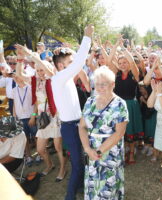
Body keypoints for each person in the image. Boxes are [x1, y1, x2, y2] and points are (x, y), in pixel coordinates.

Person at [51, 25, 93, 200]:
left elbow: (77, 64)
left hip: (78, 124)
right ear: (61, 66)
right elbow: (79, 63)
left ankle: (82, 189)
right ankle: (70, 196)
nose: (73, 66)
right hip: (70, 127)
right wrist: (87, 37)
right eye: (69, 63)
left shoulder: (64, 78)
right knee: (77, 164)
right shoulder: (59, 78)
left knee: (82, 161)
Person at [15, 44, 66, 181]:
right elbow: (19, 74)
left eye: (42, 70)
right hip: (43, 119)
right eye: (38, 71)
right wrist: (20, 59)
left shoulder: (53, 79)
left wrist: (29, 53)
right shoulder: (35, 81)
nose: (41, 73)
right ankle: (50, 165)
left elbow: (47, 69)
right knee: (41, 148)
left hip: (55, 117)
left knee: (58, 146)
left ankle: (62, 169)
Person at [79, 66, 128, 200]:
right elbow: (82, 127)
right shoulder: (89, 101)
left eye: (103, 84)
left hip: (109, 152)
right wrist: (88, 149)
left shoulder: (120, 104)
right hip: (91, 150)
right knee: (93, 184)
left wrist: (99, 151)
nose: (99, 87)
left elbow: (119, 133)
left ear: (113, 84)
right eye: (96, 84)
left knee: (108, 187)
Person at [108, 36, 143, 164]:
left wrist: (123, 48)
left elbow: (133, 62)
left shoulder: (134, 73)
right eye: (121, 62)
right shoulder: (115, 73)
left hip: (131, 105)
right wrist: (116, 44)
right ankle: (122, 152)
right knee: (119, 132)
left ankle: (132, 153)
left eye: (125, 62)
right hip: (117, 105)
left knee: (131, 130)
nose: (123, 64)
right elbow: (109, 59)